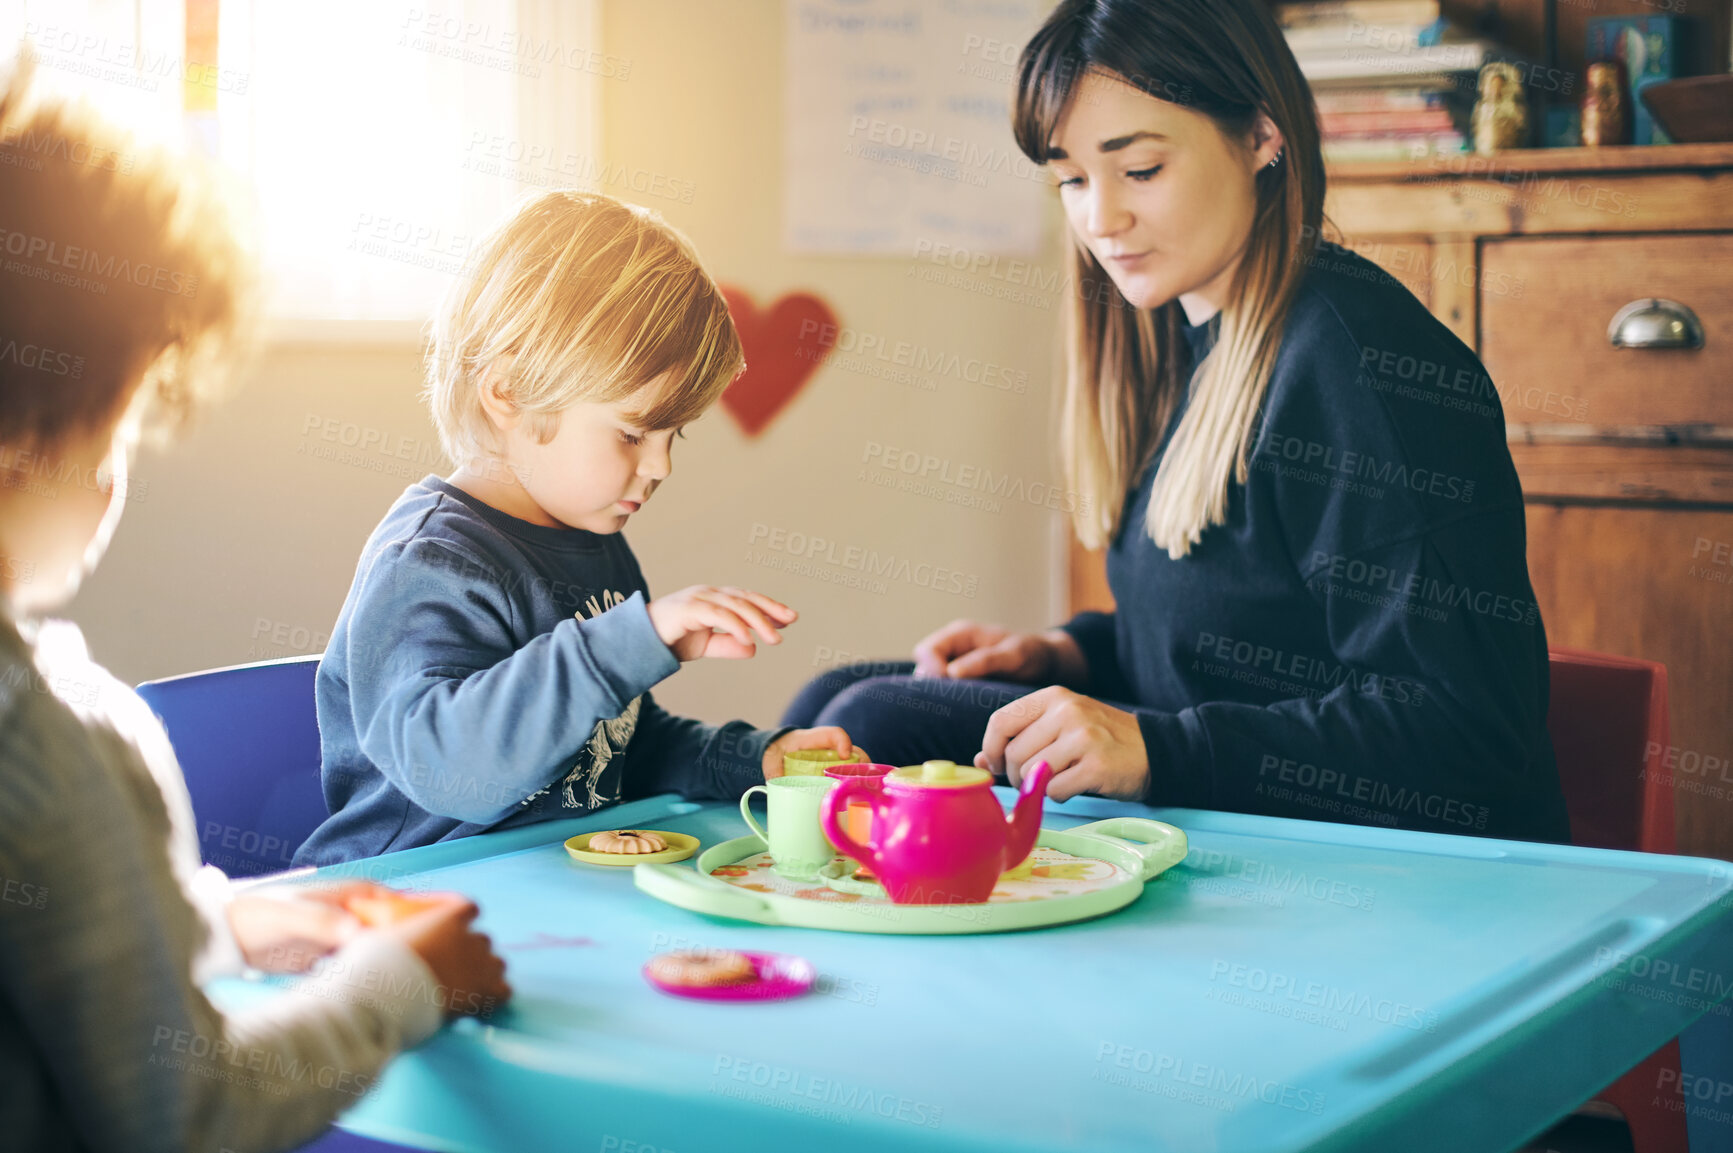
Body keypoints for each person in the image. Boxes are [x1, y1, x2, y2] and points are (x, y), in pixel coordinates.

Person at [783, 0, 1570, 843]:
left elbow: (1466, 730)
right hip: (1245, 810)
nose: (1099, 219)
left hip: (1388, 873)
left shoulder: (1359, 364)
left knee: (878, 719)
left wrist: (1159, 747)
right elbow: (1245, 626)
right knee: (839, 698)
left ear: (1262, 134)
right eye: (1072, 179)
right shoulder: (1178, 337)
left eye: (1141, 169)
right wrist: (1071, 654)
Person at [0, 56, 510, 1151]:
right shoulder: (51, 739)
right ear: (29, 447)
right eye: (123, 428)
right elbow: (186, 1113)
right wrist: (399, 981)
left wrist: (222, 920)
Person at [296, 190, 852, 866]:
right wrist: (626, 642)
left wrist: (749, 757)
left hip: (547, 886)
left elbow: (607, 749)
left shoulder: (595, 549)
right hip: (407, 899)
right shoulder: (429, 563)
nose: (661, 465)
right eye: (631, 432)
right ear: (508, 393)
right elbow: (454, 773)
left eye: (674, 434)